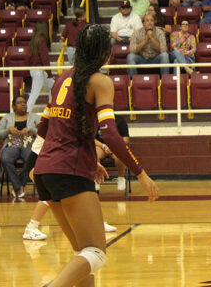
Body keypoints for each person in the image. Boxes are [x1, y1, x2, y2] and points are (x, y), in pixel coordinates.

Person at [32, 24, 158, 286]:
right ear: (105, 52)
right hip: (69, 171)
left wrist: (85, 160)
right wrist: (141, 173)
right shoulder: (100, 81)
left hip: (46, 170)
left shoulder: (61, 79)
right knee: (96, 253)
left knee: (83, 254)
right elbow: (110, 134)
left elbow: (44, 127)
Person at [0, 95, 39, 198]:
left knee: (32, 158)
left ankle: (19, 184)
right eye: (19, 103)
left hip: (28, 143)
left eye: (24, 102)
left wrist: (30, 129)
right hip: (13, 144)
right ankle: (18, 186)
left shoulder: (35, 117)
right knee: (5, 158)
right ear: (14, 106)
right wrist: (8, 130)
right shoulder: (7, 118)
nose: (23, 104)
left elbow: (43, 132)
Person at [27, 25, 55, 111]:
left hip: (34, 69)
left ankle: (50, 108)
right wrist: (50, 74)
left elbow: (29, 57)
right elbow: (45, 58)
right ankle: (26, 112)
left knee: (53, 85)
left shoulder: (33, 41)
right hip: (39, 70)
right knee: (34, 93)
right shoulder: (42, 40)